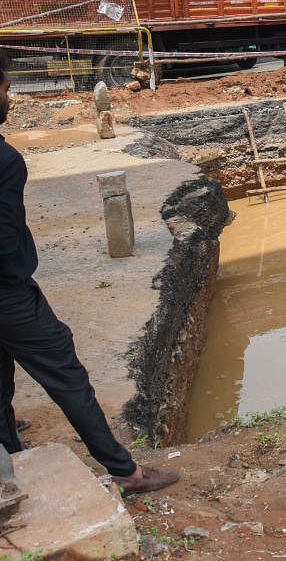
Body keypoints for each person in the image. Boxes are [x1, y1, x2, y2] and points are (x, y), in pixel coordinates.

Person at [0, 53, 178, 493]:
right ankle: (125, 471)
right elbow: (4, 244)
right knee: (66, 373)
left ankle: (11, 452)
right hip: (8, 294)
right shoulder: (5, 161)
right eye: (4, 88)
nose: (9, 96)